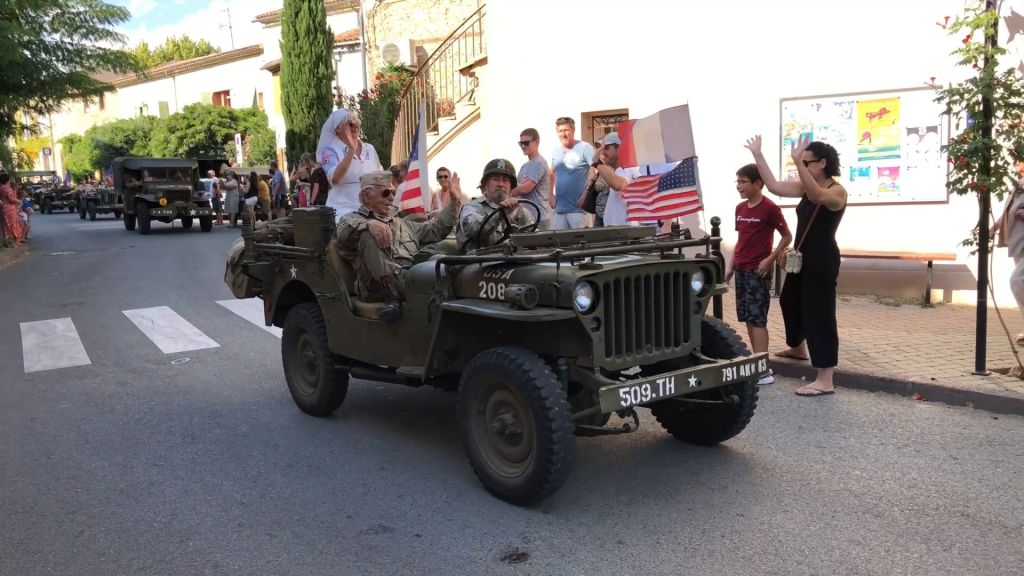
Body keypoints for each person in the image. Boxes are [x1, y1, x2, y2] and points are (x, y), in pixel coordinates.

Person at [746, 134, 847, 397]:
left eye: (806, 162)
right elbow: (774, 186)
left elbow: (817, 196)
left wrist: (796, 161)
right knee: (789, 300)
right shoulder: (805, 185)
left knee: (820, 313)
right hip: (802, 257)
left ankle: (825, 378)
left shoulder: (837, 191)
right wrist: (758, 154)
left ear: (822, 163)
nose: (801, 166)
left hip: (822, 258)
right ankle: (797, 347)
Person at [335, 171, 463, 321]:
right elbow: (343, 233)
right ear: (367, 196)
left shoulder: (401, 223)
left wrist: (455, 203)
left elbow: (436, 229)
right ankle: (391, 295)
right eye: (386, 192)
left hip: (408, 276)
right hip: (375, 287)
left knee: (444, 263)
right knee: (369, 235)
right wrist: (367, 224)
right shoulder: (352, 219)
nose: (391, 197)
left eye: (393, 193)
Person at [724, 163, 793, 385]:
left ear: (757, 183)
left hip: (758, 270)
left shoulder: (770, 208)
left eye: (743, 182)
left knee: (758, 318)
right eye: (738, 182)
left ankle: (763, 369)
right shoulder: (740, 209)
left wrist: (769, 259)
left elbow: (786, 236)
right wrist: (730, 265)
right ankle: (755, 363)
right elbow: (740, 240)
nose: (739, 186)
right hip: (741, 269)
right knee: (747, 317)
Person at [316, 109, 383, 222]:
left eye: (357, 121)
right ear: (338, 129)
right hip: (344, 211)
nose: (356, 125)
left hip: (371, 210)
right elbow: (336, 178)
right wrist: (352, 149)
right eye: (350, 123)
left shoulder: (369, 149)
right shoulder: (330, 151)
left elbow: (380, 178)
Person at [457, 158, 537, 252]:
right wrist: (500, 215)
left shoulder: (518, 211)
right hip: (476, 261)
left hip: (512, 262)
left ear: (511, 187)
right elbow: (472, 228)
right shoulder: (471, 206)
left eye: (505, 180)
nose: (500, 184)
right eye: (495, 179)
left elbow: (537, 234)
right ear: (485, 184)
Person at [993, 153, 1024, 343]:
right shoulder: (1018, 185)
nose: (1015, 164)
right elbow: (1009, 211)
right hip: (1018, 242)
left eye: (1019, 160)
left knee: (1017, 280)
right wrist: (993, 227)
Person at [550, 117, 595, 229]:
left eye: (566, 130)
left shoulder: (585, 148)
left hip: (578, 210)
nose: (563, 134)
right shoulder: (556, 150)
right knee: (560, 244)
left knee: (580, 244)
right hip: (559, 210)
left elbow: (597, 170)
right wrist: (550, 193)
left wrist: (586, 192)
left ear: (573, 130)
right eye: (560, 131)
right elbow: (552, 172)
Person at [591, 132, 642, 227]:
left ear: (619, 149)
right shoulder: (622, 169)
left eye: (606, 148)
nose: (602, 152)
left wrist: (597, 164)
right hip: (620, 230)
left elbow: (619, 185)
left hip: (623, 231)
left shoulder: (625, 168)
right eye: (600, 149)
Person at [511, 128, 551, 230]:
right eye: (521, 143)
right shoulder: (524, 166)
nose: (523, 146)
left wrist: (519, 185)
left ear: (536, 142)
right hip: (525, 217)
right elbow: (513, 191)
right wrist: (519, 185)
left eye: (526, 143)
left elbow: (525, 189)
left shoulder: (539, 162)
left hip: (538, 216)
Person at [0, 173, 26, 244]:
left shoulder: (2, 187)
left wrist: (15, 189)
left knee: (7, 225)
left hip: (5, 208)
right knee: (12, 224)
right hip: (9, 208)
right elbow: (11, 199)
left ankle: (9, 241)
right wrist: (19, 201)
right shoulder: (6, 188)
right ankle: (13, 241)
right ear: (7, 180)